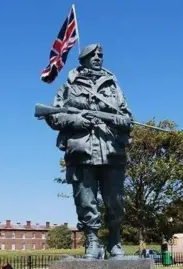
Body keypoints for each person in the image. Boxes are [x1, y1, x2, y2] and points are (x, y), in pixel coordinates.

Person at [45, 43, 133, 259]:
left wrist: (123, 121)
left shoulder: (113, 85)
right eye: (92, 54)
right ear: (83, 58)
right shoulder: (69, 85)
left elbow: (128, 117)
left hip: (111, 151)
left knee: (116, 201)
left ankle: (114, 241)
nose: (97, 57)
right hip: (81, 151)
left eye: (100, 55)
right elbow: (53, 115)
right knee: (85, 201)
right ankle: (92, 242)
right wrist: (76, 121)